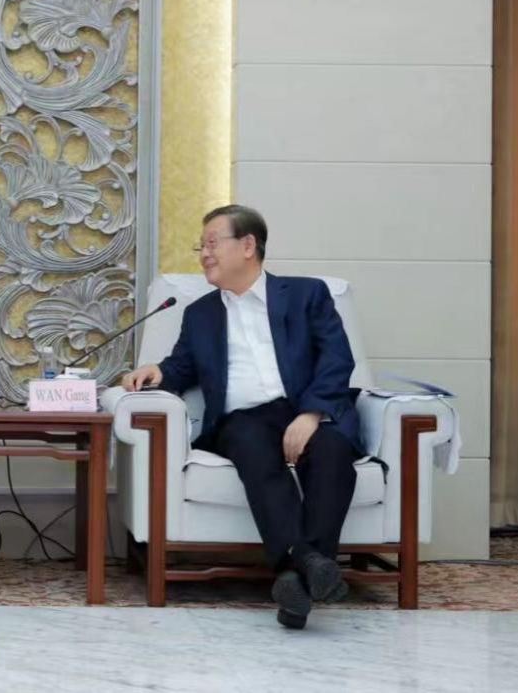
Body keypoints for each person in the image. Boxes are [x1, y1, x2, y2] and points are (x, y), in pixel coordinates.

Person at [121, 204, 360, 630]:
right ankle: (310, 561)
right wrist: (157, 371)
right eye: (201, 246)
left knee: (333, 454)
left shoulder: (307, 295)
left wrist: (311, 414)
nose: (204, 254)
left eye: (212, 243)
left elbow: (337, 358)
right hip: (244, 420)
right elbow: (182, 367)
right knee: (252, 448)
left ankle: (293, 580)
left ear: (248, 246)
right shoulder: (200, 314)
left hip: (305, 408)